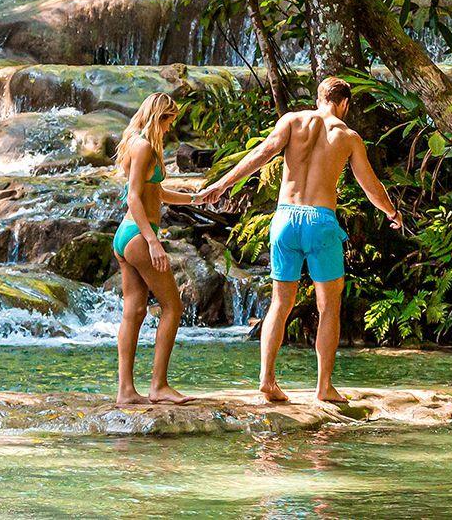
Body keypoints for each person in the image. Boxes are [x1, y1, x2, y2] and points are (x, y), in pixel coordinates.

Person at [196, 77, 402, 404]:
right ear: (344, 103)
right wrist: (392, 212)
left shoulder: (292, 121)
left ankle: (267, 381)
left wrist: (221, 184)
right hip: (320, 222)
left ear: (318, 98)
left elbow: (261, 154)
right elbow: (370, 186)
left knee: (280, 302)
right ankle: (324, 387)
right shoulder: (347, 137)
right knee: (328, 305)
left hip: (285, 219)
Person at [111, 92, 201, 406]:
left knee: (134, 311)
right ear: (157, 117)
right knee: (173, 307)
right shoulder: (145, 146)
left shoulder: (133, 139)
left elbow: (156, 191)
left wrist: (195, 199)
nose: (169, 129)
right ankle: (158, 385)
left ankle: (125, 392)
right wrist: (153, 241)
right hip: (138, 234)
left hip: (124, 236)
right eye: (168, 122)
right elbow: (133, 197)